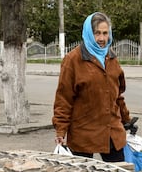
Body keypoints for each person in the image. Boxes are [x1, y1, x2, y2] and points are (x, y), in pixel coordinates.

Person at [52, 12, 133, 162]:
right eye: (97, 33)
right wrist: (60, 131)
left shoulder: (111, 58)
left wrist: (127, 120)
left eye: (105, 33)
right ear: (89, 33)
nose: (102, 39)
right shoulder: (73, 60)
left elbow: (117, 95)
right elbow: (64, 99)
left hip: (111, 131)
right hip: (84, 133)